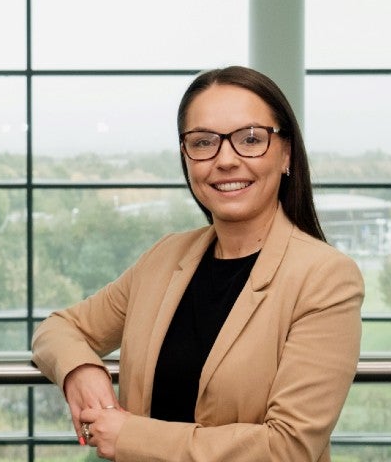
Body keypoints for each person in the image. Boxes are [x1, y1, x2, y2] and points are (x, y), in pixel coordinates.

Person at [31, 66, 363, 461]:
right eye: (204, 142)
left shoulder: (326, 278)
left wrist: (130, 436)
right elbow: (59, 328)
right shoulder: (165, 257)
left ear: (286, 153)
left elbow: (287, 448)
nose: (225, 160)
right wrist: (80, 370)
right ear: (186, 157)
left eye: (250, 139)